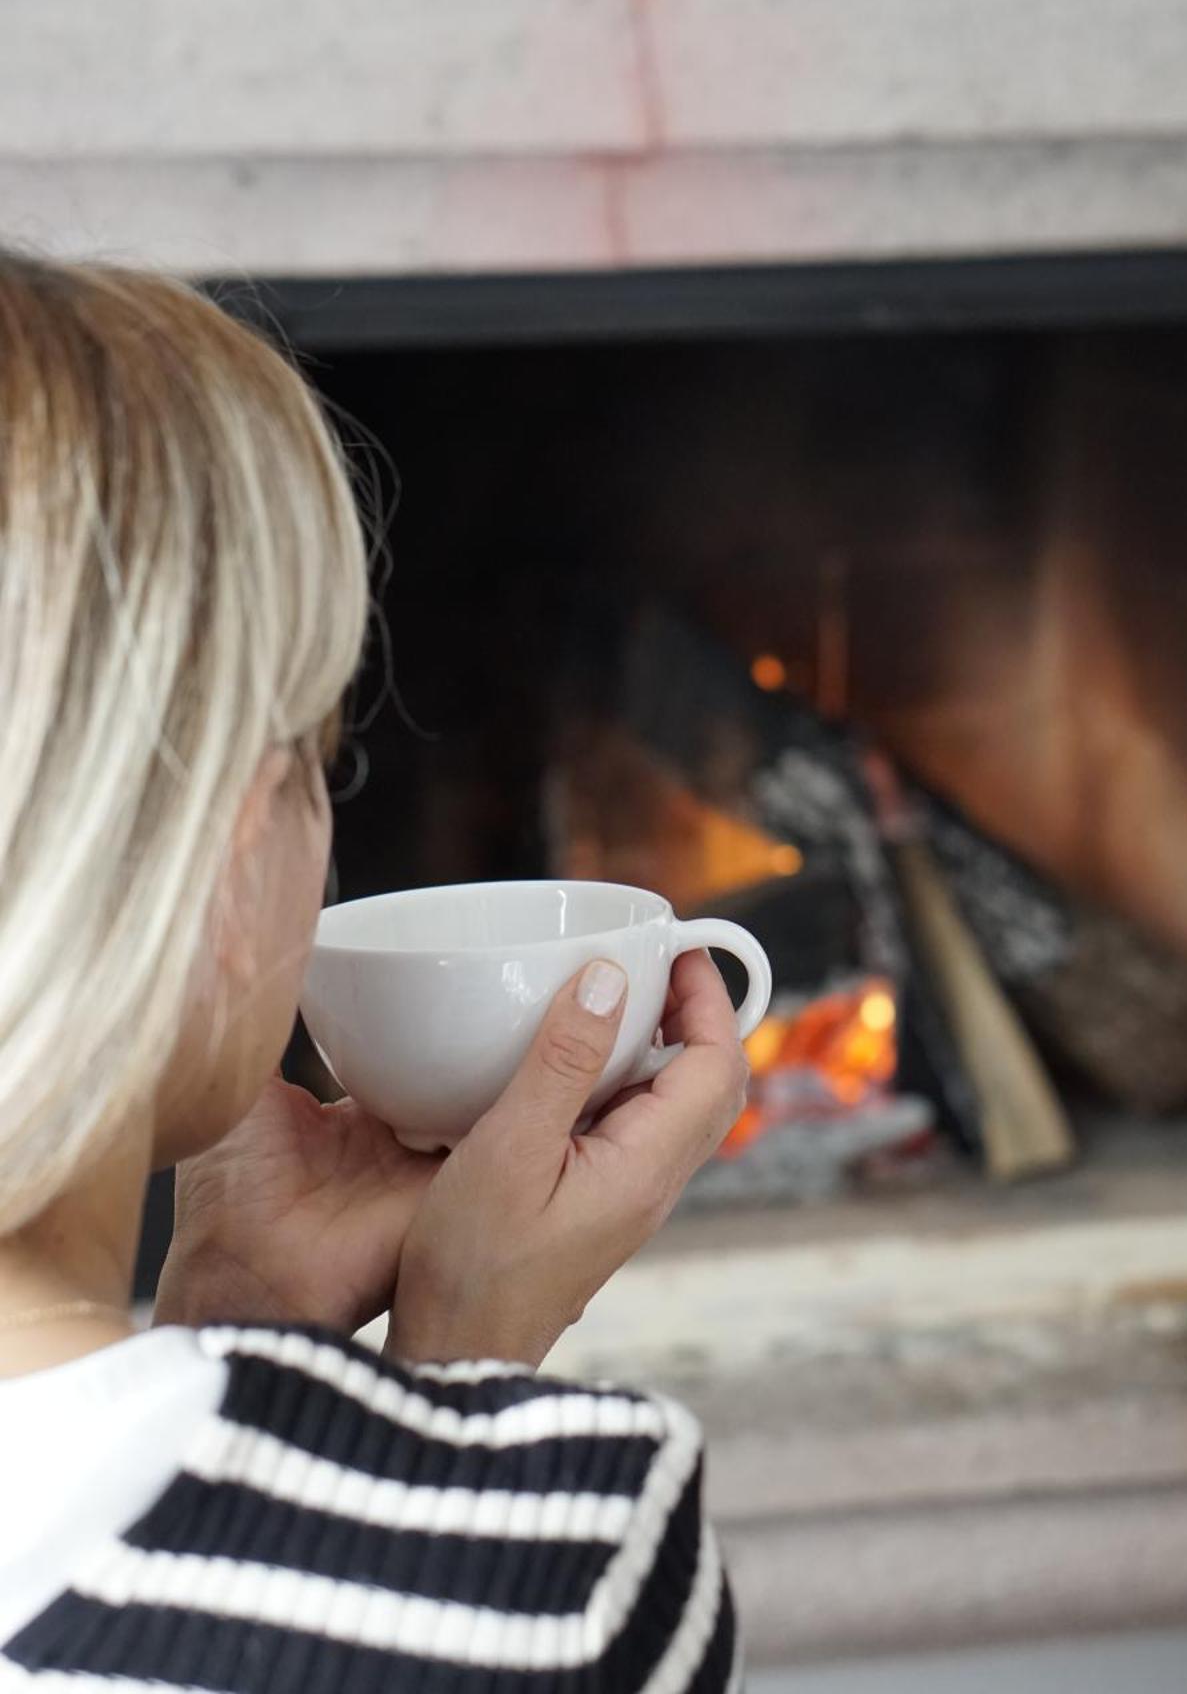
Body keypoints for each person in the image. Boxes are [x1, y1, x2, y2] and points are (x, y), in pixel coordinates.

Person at [0, 252, 748, 1691]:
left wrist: (233, 1339)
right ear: (222, 864)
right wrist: (459, 1395)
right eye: (320, 758)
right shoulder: (555, 1583)